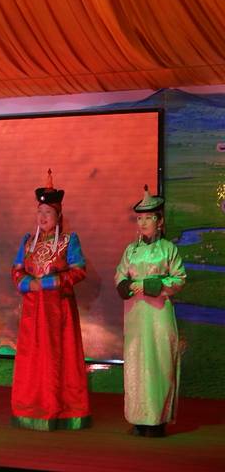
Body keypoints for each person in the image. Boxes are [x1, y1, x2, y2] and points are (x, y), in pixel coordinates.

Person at [11, 170, 90, 431]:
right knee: (32, 358)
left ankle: (62, 409)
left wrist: (50, 282)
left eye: (48, 212)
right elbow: (16, 270)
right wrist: (27, 283)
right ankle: (30, 407)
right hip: (33, 311)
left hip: (59, 311)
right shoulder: (28, 242)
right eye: (40, 212)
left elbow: (79, 271)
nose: (43, 217)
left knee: (58, 358)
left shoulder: (68, 241)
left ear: (58, 216)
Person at [115, 185, 186, 438]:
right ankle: (138, 418)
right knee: (136, 361)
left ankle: (157, 420)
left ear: (160, 221)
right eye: (140, 219)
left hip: (158, 314)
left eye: (148, 218)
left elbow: (179, 279)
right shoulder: (131, 250)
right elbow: (120, 275)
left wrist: (149, 285)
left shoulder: (168, 249)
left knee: (159, 361)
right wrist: (126, 285)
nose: (143, 223)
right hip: (135, 315)